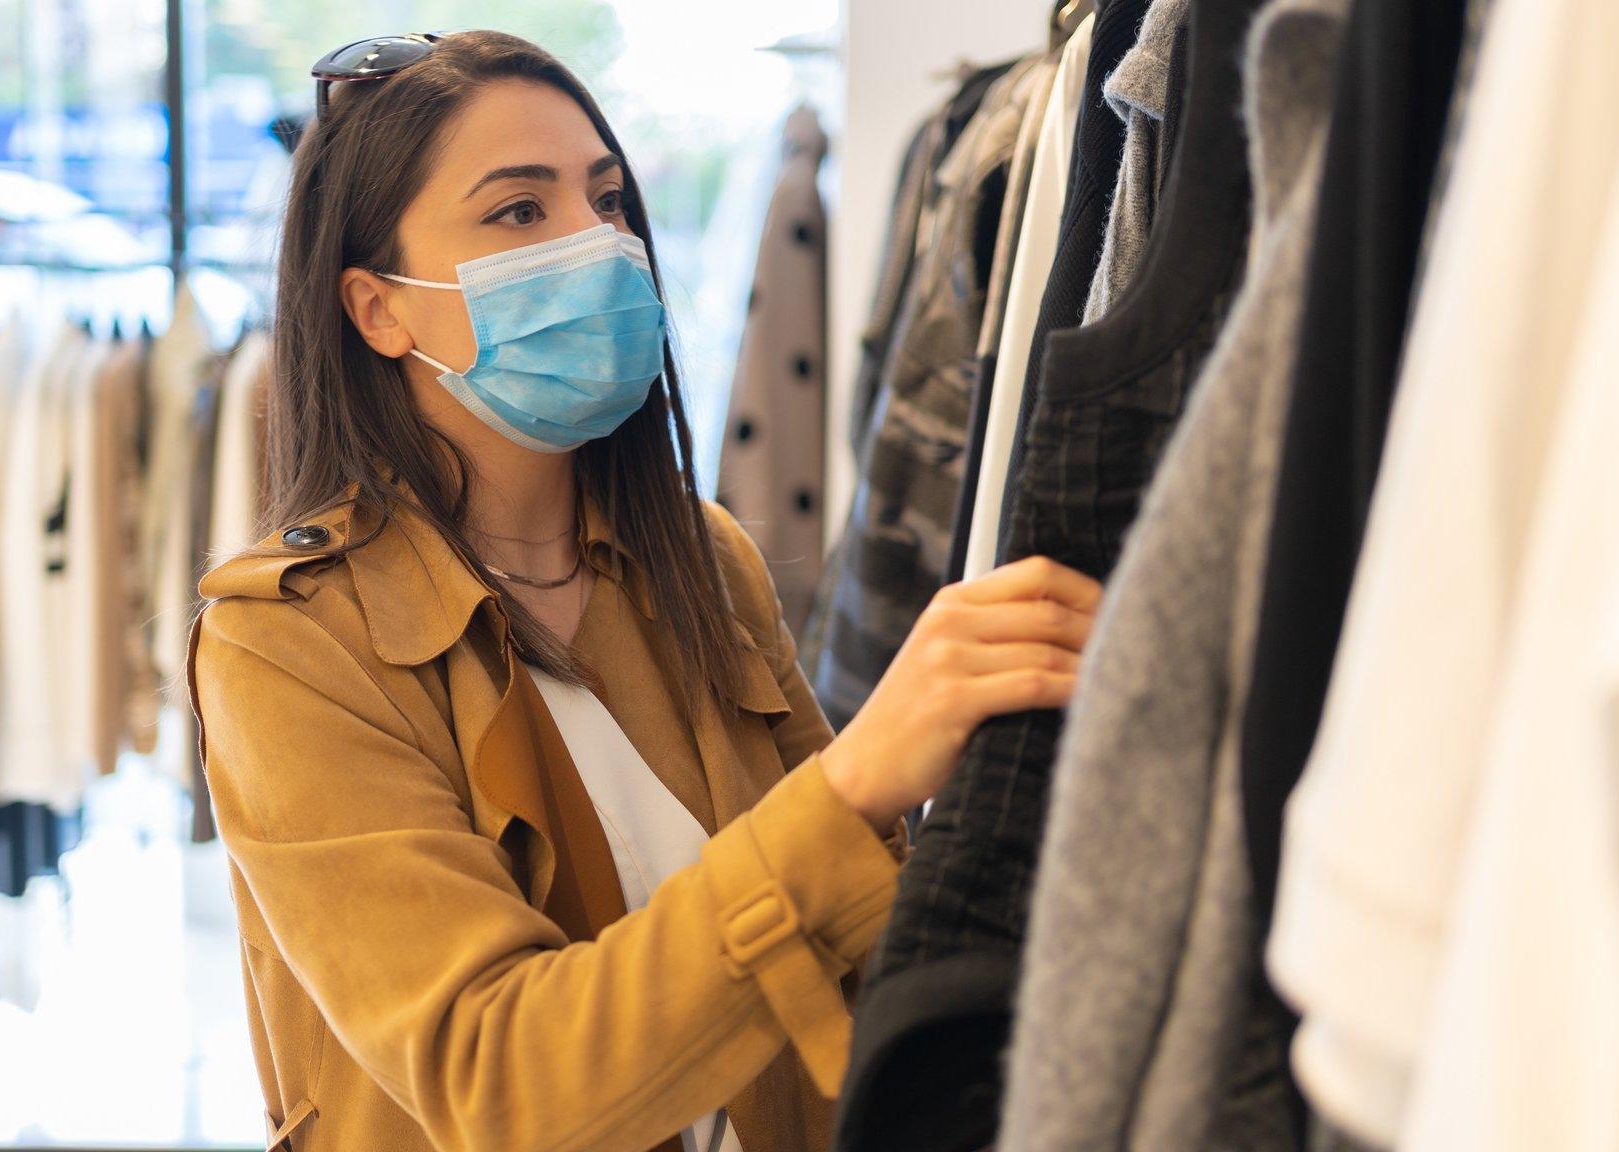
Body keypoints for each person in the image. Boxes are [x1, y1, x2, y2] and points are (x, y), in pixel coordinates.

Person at [187, 29, 1101, 1152]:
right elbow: (500, 1082)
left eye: (608, 198)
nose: (600, 243)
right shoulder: (287, 643)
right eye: (519, 212)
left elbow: (862, 947)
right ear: (378, 309)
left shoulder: (700, 562)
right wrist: (860, 781)